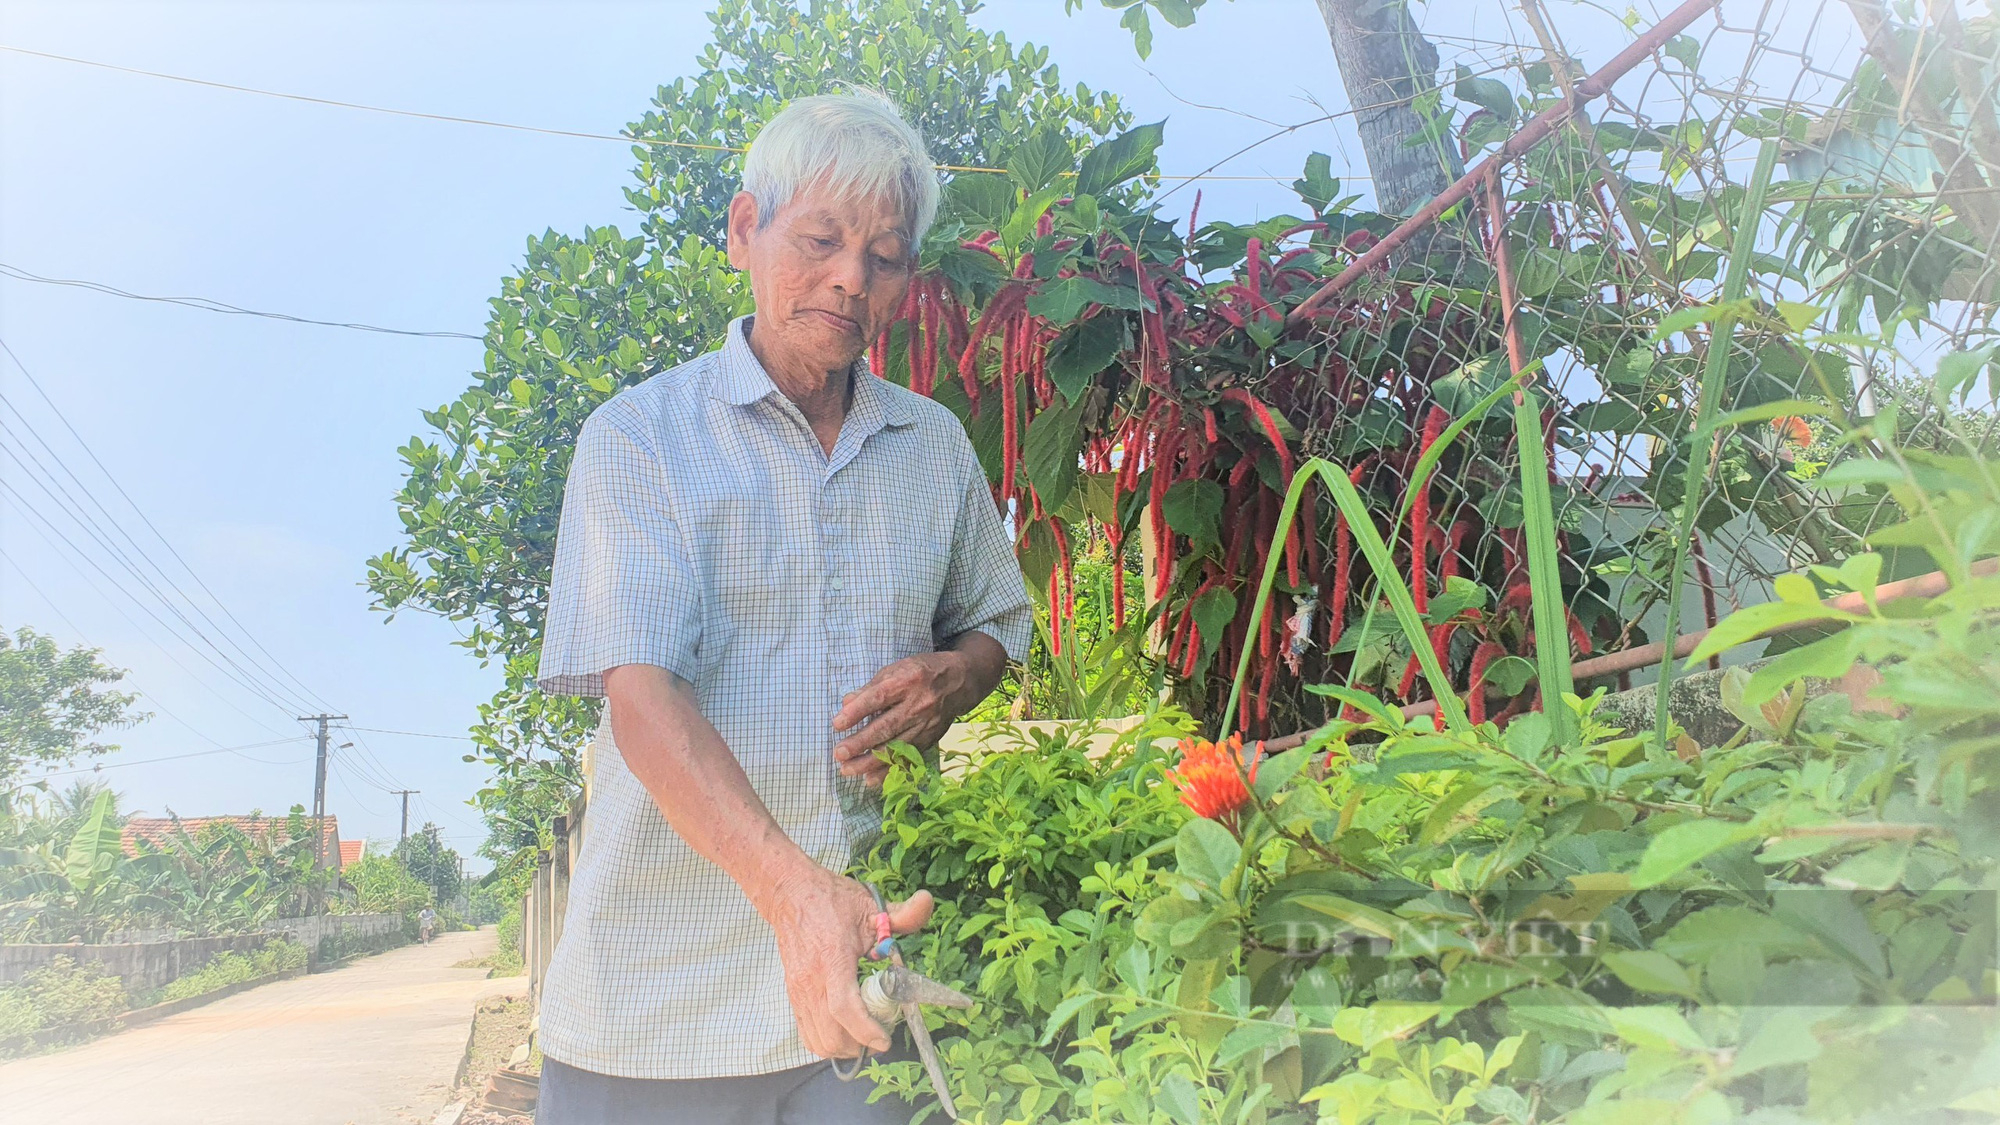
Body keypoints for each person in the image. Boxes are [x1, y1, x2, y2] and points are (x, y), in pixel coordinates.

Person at [531, 90, 1031, 1124]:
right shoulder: (638, 439)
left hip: (863, 1000)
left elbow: (995, 624)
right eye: (820, 238)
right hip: (655, 1013)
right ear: (743, 231)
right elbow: (641, 698)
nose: (851, 277)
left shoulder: (931, 446)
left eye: (884, 256)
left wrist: (956, 676)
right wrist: (796, 898)